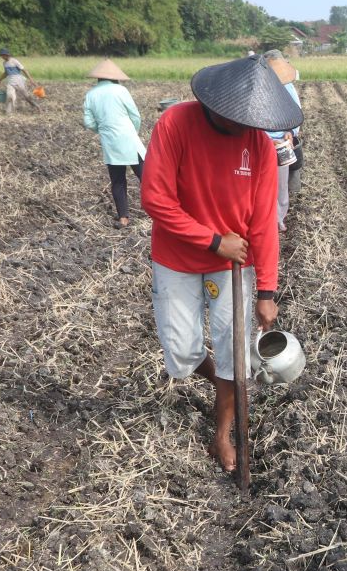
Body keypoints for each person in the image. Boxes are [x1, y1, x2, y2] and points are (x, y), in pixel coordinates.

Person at [140, 55, 303, 471]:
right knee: (182, 353)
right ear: (214, 104)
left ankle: (222, 433)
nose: (246, 127)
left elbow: (264, 224)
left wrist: (266, 290)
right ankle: (224, 384)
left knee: (236, 355)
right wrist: (214, 241)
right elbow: (156, 200)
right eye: (238, 118)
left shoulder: (261, 148)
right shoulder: (175, 124)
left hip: (235, 266)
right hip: (178, 258)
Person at [82, 59, 146, 228]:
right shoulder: (121, 90)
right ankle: (158, 211)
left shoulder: (90, 95)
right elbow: (135, 116)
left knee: (118, 180)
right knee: (147, 177)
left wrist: (103, 129)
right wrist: (133, 132)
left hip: (110, 142)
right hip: (129, 139)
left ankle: (123, 218)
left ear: (98, 79)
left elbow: (88, 122)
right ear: (115, 78)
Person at [262, 50, 302, 231]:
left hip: (281, 144)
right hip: (260, 141)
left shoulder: (287, 87)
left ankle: (278, 219)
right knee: (259, 186)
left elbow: (296, 113)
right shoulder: (258, 89)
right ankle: (262, 219)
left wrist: (290, 133)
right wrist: (263, 139)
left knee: (280, 186)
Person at [0, 48, 39, 113]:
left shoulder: (14, 61)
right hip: (10, 82)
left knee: (26, 97)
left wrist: (31, 80)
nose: (2, 57)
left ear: (7, 55)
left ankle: (37, 106)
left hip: (19, 81)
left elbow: (24, 70)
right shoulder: (4, 63)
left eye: (3, 55)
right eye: (1, 55)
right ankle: (9, 112)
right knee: (9, 96)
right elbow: (6, 73)